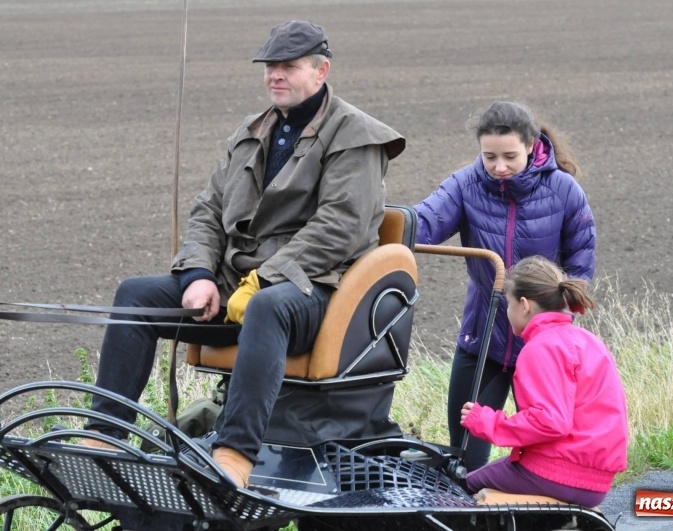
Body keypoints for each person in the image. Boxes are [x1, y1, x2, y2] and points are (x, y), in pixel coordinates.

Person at [84, 20, 405, 488]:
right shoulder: (252, 132)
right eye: (270, 66)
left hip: (314, 290)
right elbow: (208, 210)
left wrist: (263, 281)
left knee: (268, 309)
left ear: (321, 71)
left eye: (288, 66)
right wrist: (197, 275)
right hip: (236, 284)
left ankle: (234, 452)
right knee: (135, 295)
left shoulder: (356, 136)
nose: (275, 75)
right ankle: (105, 435)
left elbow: (340, 227)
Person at [413, 101, 595, 471]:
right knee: (465, 460)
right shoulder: (465, 184)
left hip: (544, 348)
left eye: (510, 156)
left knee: (548, 458)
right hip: (483, 343)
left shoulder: (563, 190)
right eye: (489, 156)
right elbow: (424, 222)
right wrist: (377, 222)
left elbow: (581, 261)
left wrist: (557, 326)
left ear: (531, 145)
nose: (498, 167)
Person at [461, 255, 628, 506]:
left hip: (557, 473)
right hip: (595, 481)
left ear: (524, 305)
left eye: (508, 303)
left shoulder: (541, 347)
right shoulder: (587, 341)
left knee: (459, 487)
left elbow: (550, 421)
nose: (507, 312)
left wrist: (486, 422)